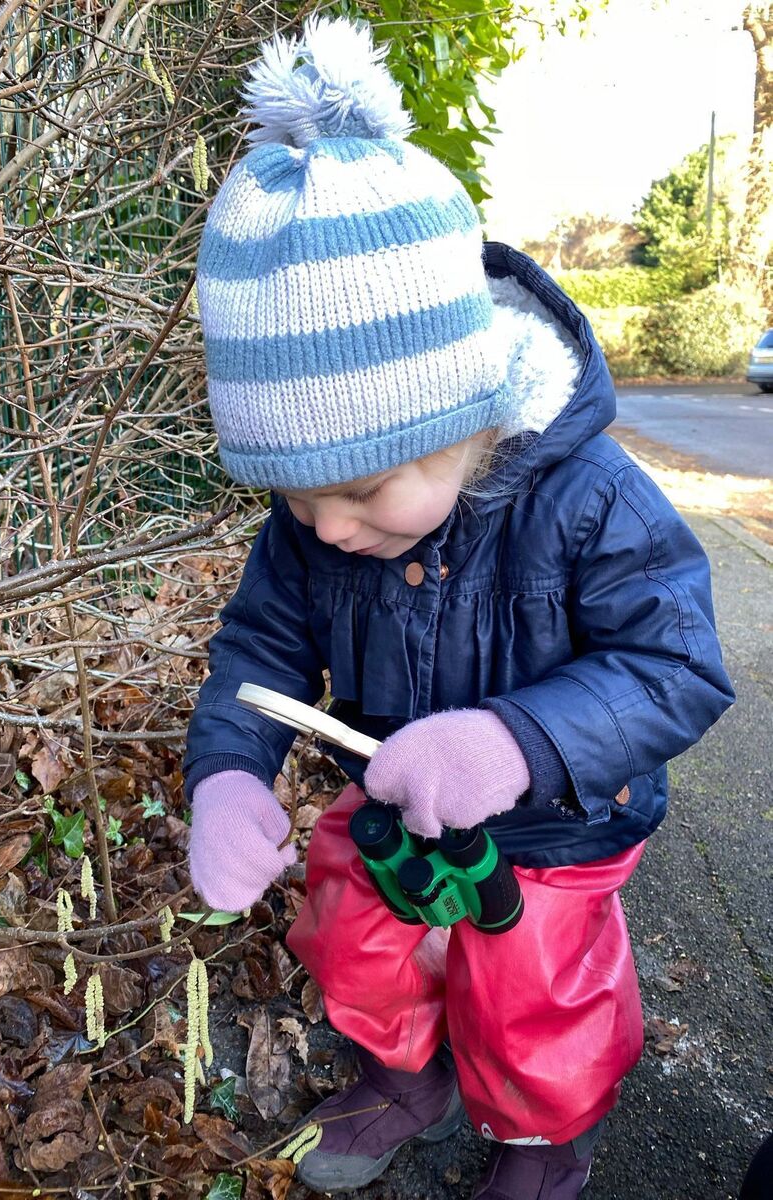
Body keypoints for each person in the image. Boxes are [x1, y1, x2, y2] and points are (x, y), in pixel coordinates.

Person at [182, 15, 734, 1199]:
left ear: (462, 413)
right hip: (390, 801)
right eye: (295, 493)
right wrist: (226, 773)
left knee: (531, 990)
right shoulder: (324, 520)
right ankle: (403, 1070)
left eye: (362, 489)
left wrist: (520, 740)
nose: (325, 527)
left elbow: (678, 667)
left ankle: (544, 1140)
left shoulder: (588, 499)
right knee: (350, 932)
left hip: (559, 830)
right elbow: (259, 652)